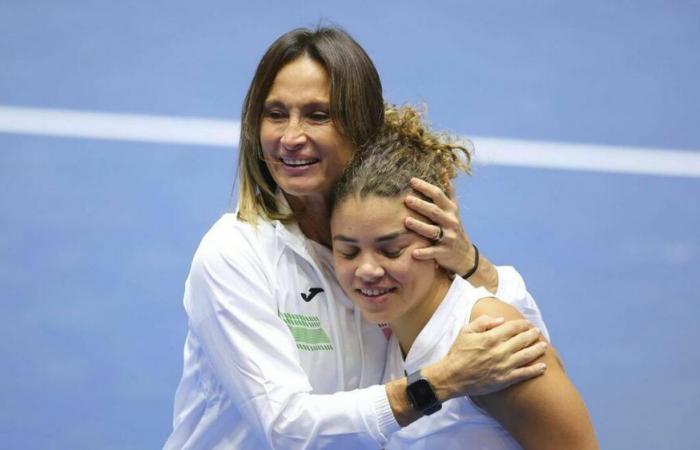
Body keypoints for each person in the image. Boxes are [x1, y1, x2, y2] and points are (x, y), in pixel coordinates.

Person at [165, 27, 550, 449]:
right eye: (276, 114)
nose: (291, 138)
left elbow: (529, 355)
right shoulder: (233, 253)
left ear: (360, 125)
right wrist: (441, 381)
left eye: (317, 115)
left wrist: (472, 265)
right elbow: (286, 429)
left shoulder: (400, 243)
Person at [329, 105, 598, 449]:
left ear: (437, 234)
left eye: (392, 250)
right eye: (348, 252)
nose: (366, 270)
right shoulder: (377, 337)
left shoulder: (491, 334)